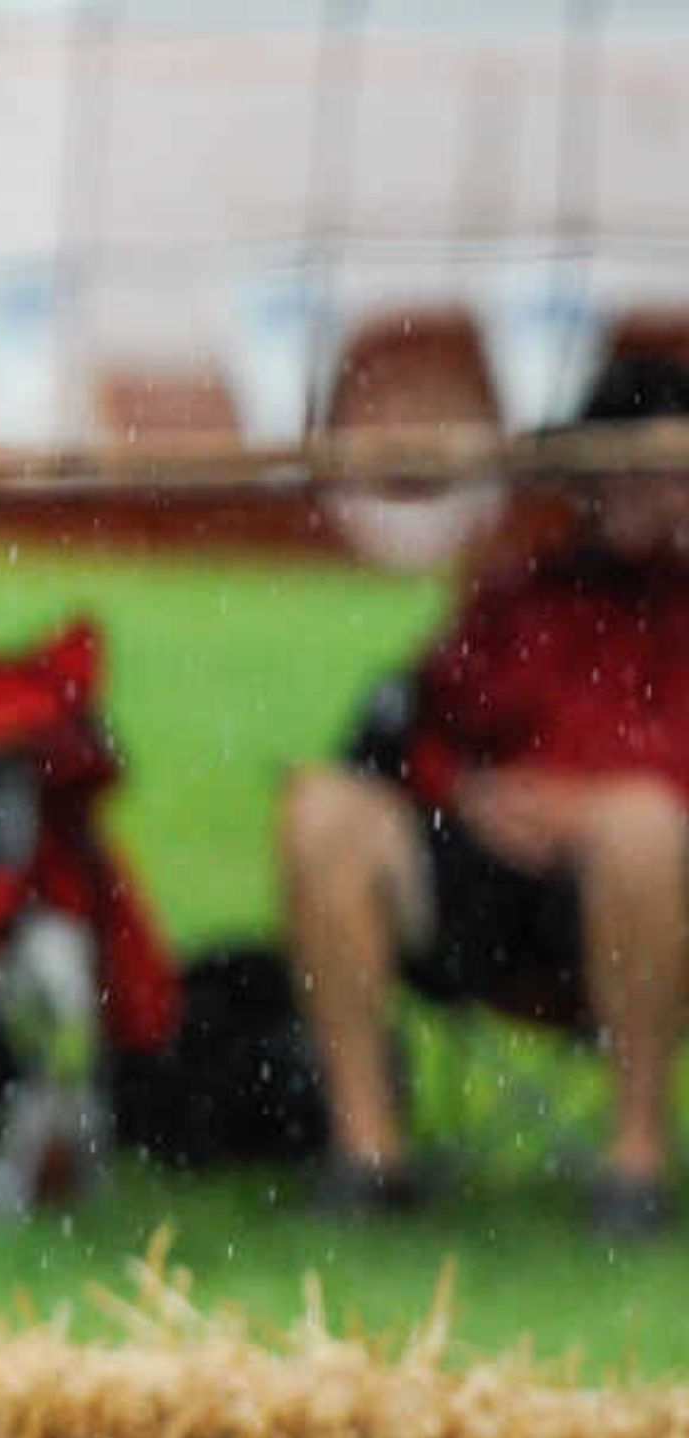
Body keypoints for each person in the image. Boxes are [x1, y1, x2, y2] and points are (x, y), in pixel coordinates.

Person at [278, 347, 689, 1241]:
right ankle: (368, 1151)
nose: (633, 493)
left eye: (656, 473)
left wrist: (596, 807)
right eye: (613, 469)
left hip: (652, 896)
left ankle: (635, 1160)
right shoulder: (522, 594)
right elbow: (405, 729)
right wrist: (465, 790)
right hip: (492, 882)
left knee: (644, 828)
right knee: (324, 810)